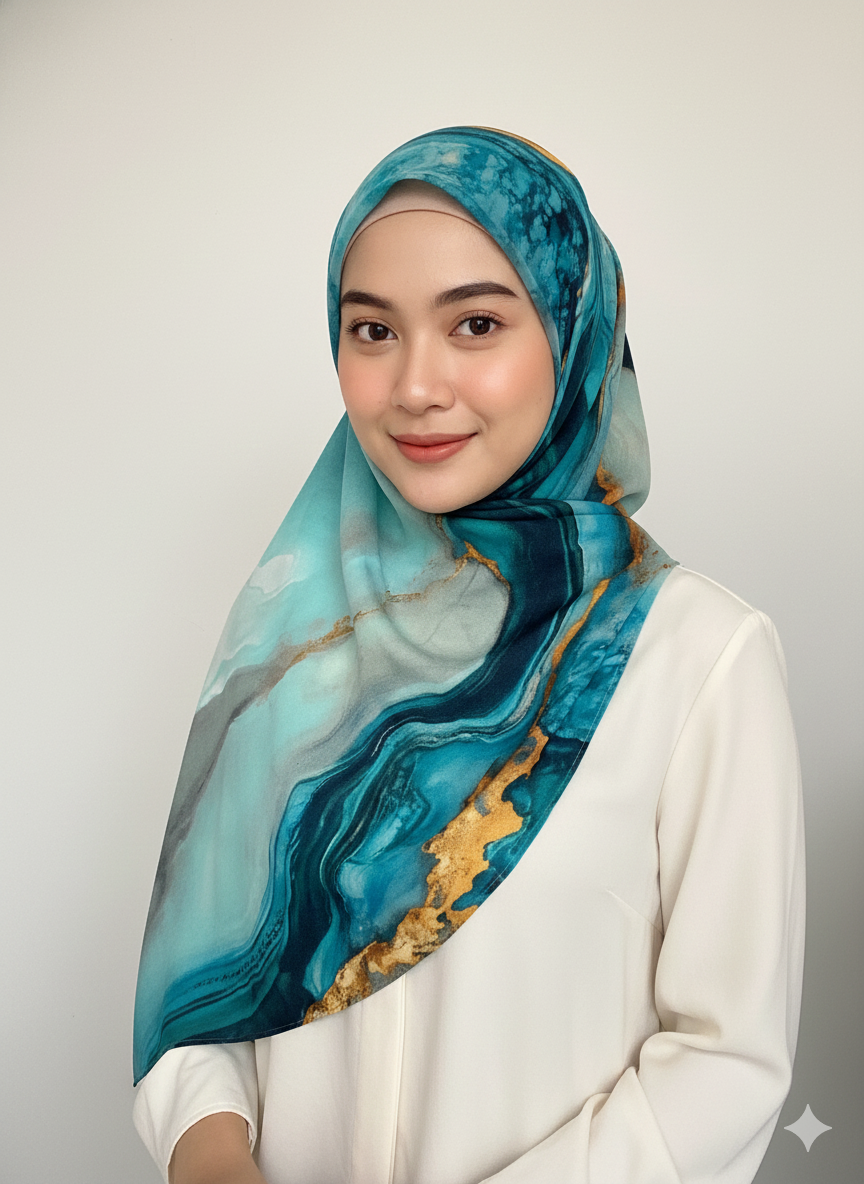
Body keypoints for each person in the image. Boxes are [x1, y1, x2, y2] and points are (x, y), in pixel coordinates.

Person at [132, 127, 805, 1184]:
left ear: (574, 333)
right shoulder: (292, 649)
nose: (414, 385)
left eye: (476, 323)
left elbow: (727, 1062)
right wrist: (208, 1147)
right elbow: (205, 978)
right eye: (372, 330)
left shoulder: (698, 657)